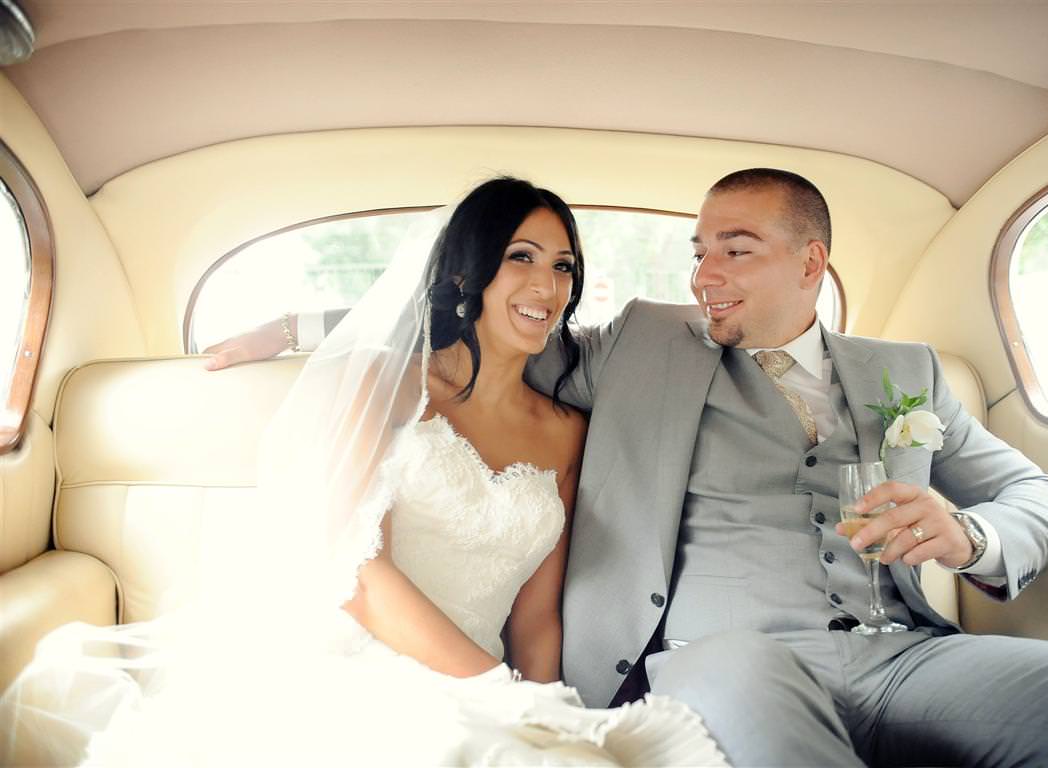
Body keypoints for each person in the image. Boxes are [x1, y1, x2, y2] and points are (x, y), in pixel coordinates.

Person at [206, 169, 1048, 767]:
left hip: (900, 653)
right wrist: (299, 328)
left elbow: (1037, 494)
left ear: (810, 261)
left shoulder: (906, 373)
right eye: (697, 253)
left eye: (734, 251)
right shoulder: (643, 343)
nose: (703, 274)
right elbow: (489, 325)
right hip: (716, 656)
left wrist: (971, 532)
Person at [1, 178, 725, 767]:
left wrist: (547, 711)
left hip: (494, 679)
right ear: (465, 274)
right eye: (521, 257)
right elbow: (357, 572)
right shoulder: (383, 386)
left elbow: (536, 618)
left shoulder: (569, 432)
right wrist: (494, 692)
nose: (547, 283)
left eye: (563, 265)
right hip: (352, 658)